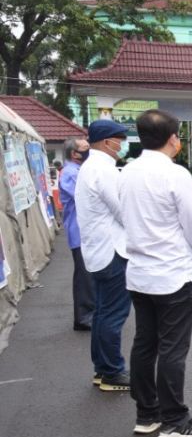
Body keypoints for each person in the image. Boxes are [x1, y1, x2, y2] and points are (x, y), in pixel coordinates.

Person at [120, 109, 192, 437]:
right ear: (173, 139)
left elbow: (124, 218)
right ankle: (176, 420)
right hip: (173, 273)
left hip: (140, 273)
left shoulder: (127, 172)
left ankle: (147, 414)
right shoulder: (175, 175)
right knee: (173, 349)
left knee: (145, 344)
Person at [75, 119, 130, 391]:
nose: (122, 144)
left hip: (98, 251)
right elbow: (123, 211)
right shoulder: (104, 170)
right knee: (113, 314)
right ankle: (112, 372)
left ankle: (102, 368)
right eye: (120, 139)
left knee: (102, 312)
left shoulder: (90, 167)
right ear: (107, 142)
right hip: (113, 251)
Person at [59, 136, 94, 331]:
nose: (88, 150)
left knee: (88, 274)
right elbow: (85, 197)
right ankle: (84, 317)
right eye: (85, 148)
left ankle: (88, 313)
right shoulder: (71, 173)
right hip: (79, 231)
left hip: (83, 230)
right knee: (84, 277)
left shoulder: (77, 171)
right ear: (74, 153)